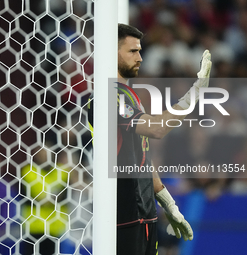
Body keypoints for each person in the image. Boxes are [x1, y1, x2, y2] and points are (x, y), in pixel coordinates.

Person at [87, 23, 212, 255]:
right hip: (124, 216)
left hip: (144, 215)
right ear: (110, 53)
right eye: (133, 51)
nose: (140, 58)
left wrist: (168, 202)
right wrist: (195, 93)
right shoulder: (108, 98)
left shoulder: (128, 95)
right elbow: (157, 129)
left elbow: (141, 155)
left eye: (140, 50)